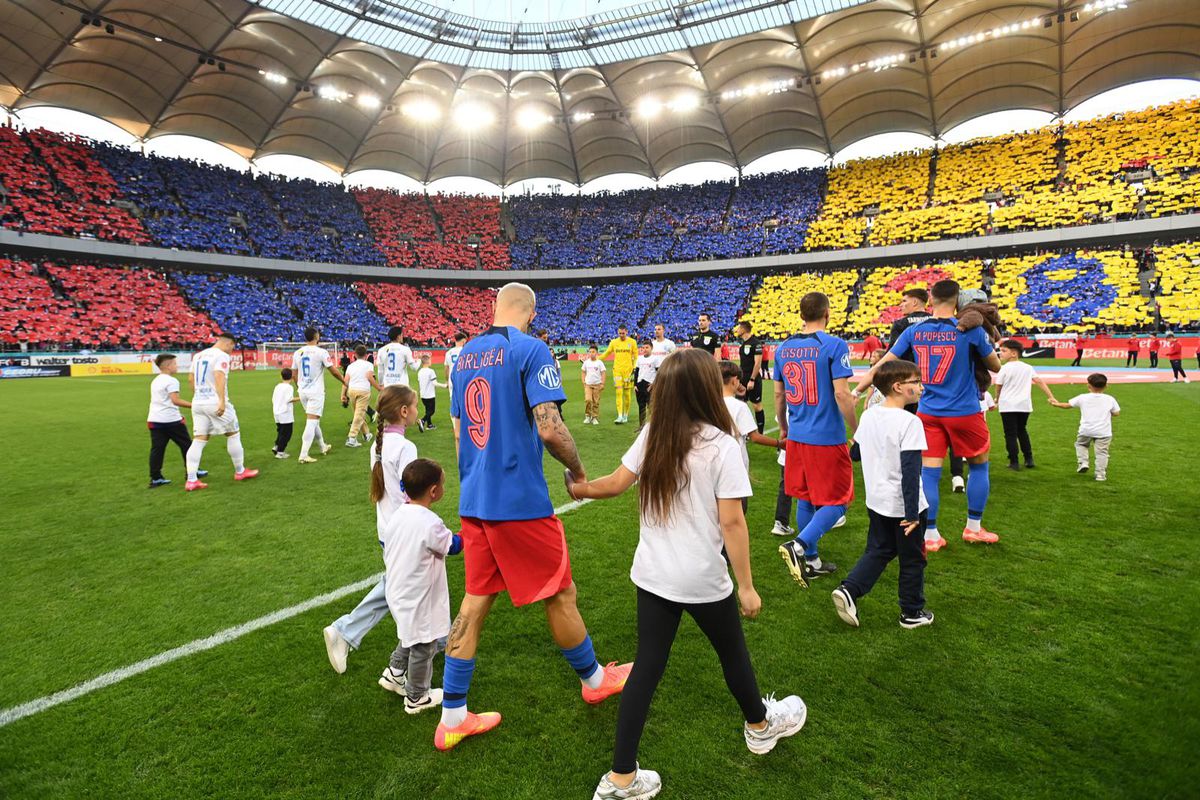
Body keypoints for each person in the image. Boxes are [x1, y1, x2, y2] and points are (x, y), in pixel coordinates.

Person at [566, 349, 808, 800]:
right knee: (732, 654)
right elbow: (733, 523)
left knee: (648, 668)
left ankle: (620, 779)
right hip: (700, 577)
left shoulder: (654, 434)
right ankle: (759, 725)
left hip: (654, 575)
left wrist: (578, 487)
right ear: (706, 387)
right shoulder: (720, 444)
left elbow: (616, 483)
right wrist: (748, 587)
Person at [437, 282, 630, 752]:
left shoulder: (463, 357)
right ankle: (593, 679)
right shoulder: (530, 348)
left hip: (476, 499)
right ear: (531, 310)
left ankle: (453, 716)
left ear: (495, 307)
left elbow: (461, 433)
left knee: (475, 601)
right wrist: (579, 471)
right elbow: (550, 427)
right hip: (517, 500)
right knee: (561, 592)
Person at [857, 279, 1002, 552]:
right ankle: (973, 527)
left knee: (930, 475)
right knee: (979, 466)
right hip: (965, 411)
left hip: (928, 411)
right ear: (958, 301)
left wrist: (859, 389)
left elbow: (884, 363)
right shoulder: (970, 330)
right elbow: (995, 365)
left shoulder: (915, 330)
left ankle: (931, 534)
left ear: (931, 300)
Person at [324, 385, 422, 675]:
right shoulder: (406, 447)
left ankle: (433, 641)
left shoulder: (377, 445)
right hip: (403, 531)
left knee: (400, 585)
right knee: (402, 588)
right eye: (414, 406)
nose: (416, 411)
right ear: (404, 412)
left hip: (387, 528)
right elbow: (411, 494)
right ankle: (346, 631)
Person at [832, 359, 934, 629]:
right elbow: (911, 471)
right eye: (916, 382)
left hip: (877, 501)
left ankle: (849, 589)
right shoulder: (909, 423)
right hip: (904, 506)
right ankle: (912, 612)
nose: (921, 387)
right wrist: (913, 514)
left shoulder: (871, 415)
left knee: (879, 549)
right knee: (913, 559)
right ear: (898, 386)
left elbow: (855, 453)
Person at [774, 292, 858, 587]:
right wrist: (856, 428)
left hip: (797, 435)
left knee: (806, 496)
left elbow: (779, 395)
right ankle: (798, 546)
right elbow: (842, 394)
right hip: (826, 436)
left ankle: (812, 561)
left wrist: (783, 427)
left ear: (801, 314)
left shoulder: (783, 348)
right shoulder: (834, 344)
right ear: (827, 312)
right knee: (840, 500)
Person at [378, 458, 463, 715]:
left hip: (399, 590)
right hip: (418, 594)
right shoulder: (429, 522)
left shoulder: (398, 514)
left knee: (410, 634)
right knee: (424, 645)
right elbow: (453, 546)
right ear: (434, 491)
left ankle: (394, 673)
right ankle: (416, 696)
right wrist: (471, 531)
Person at [185, 333, 259, 491]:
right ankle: (240, 471)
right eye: (233, 347)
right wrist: (221, 401)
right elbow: (219, 376)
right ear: (229, 343)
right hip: (214, 402)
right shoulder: (221, 355)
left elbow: (190, 379)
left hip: (198, 402)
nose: (232, 350)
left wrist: (197, 396)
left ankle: (191, 480)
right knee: (233, 433)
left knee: (199, 440)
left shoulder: (198, 355)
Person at [721, 361, 783, 511]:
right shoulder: (739, 407)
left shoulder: (709, 403)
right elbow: (754, 436)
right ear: (735, 380)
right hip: (735, 464)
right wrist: (779, 443)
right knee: (738, 510)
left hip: (714, 461)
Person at [991, 339, 1057, 470]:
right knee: (1022, 431)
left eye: (1004, 351)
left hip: (1008, 405)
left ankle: (1014, 462)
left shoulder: (1004, 369)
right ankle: (1029, 459)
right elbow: (1039, 381)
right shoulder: (1027, 367)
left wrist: (997, 399)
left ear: (1014, 353)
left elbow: (998, 386)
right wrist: (1050, 396)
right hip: (1024, 405)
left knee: (1010, 434)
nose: (1001, 353)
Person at [147, 353, 205, 488]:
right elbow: (175, 400)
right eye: (174, 363)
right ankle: (192, 472)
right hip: (171, 420)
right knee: (187, 446)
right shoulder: (171, 381)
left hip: (155, 419)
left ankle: (155, 478)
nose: (176, 366)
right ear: (168, 365)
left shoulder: (156, 380)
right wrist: (195, 405)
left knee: (157, 449)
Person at [1050, 373, 1121, 481]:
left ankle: (1083, 462)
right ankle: (1100, 475)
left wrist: (1056, 404)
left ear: (1088, 386)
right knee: (1102, 453)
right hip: (1104, 432)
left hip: (1086, 430)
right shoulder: (1110, 399)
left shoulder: (1083, 397)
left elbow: (1067, 405)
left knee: (1081, 444)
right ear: (1106, 386)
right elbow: (1116, 413)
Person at [292, 328, 347, 464]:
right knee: (311, 422)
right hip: (315, 392)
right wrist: (344, 381)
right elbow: (333, 371)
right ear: (316, 336)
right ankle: (303, 454)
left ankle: (322, 446)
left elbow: (294, 374)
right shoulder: (321, 352)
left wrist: (299, 388)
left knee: (314, 420)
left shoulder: (298, 352)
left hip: (303, 391)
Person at [342, 344, 380, 447]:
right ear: (366, 354)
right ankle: (352, 438)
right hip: (363, 391)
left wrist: (343, 395)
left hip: (352, 391)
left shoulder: (350, 366)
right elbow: (370, 377)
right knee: (359, 414)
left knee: (358, 414)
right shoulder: (368, 365)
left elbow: (345, 381)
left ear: (355, 354)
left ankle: (366, 434)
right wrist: (379, 388)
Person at [601, 325, 638, 424]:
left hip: (628, 371)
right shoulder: (614, 342)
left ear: (627, 332)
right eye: (620, 333)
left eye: (623, 333)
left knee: (627, 394)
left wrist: (634, 367)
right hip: (617, 370)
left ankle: (626, 415)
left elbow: (636, 356)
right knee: (618, 392)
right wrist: (597, 359)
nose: (621, 335)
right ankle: (619, 416)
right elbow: (607, 353)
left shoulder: (632, 342)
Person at [736, 321, 766, 433]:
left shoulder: (755, 343)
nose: (737, 330)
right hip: (742, 379)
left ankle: (761, 432)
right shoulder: (742, 344)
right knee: (740, 405)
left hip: (753, 379)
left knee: (756, 405)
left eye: (739, 328)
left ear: (743, 330)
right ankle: (743, 431)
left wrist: (752, 380)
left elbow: (757, 364)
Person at [633, 340, 663, 430]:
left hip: (649, 386)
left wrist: (654, 384)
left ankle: (652, 426)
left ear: (651, 348)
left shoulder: (655, 359)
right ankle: (641, 426)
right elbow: (636, 372)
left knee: (651, 407)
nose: (645, 349)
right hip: (640, 385)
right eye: (643, 348)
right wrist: (635, 385)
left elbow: (659, 373)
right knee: (641, 407)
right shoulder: (640, 358)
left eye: (647, 347)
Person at [272, 367, 299, 458]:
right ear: (291, 377)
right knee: (287, 433)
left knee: (280, 431)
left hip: (277, 412)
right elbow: (289, 399)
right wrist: (301, 398)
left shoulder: (277, 386)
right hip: (285, 413)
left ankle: (276, 446)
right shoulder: (289, 387)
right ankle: (280, 452)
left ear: (281, 377)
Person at [417, 354, 447, 431]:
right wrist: (444, 385)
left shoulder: (420, 371)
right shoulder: (431, 371)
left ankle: (429, 425)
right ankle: (423, 420)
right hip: (430, 394)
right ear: (427, 361)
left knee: (427, 410)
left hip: (422, 394)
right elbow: (435, 383)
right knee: (431, 411)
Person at [581, 345, 606, 426]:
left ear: (597, 353)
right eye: (590, 352)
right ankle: (587, 416)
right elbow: (583, 372)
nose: (591, 353)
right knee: (588, 400)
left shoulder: (600, 363)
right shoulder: (586, 362)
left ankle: (594, 417)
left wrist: (602, 383)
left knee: (596, 402)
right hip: (588, 384)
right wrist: (583, 382)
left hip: (597, 385)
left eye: (593, 352)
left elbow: (603, 373)